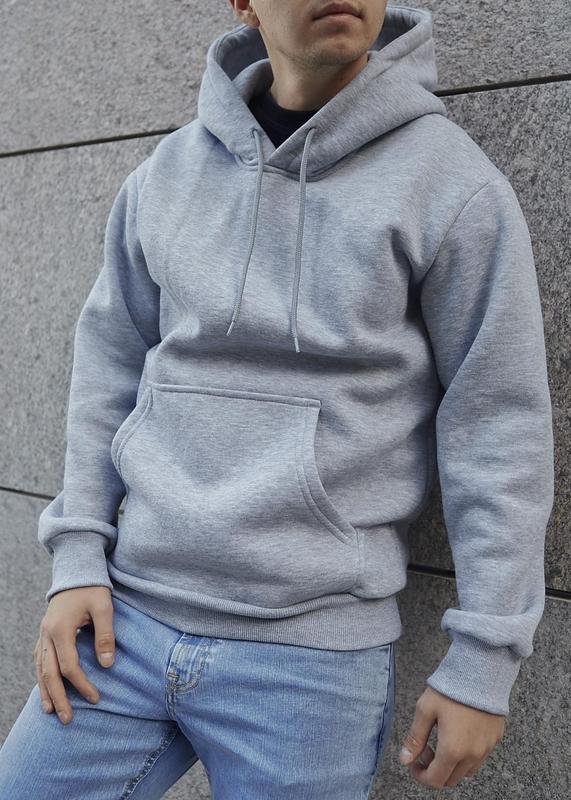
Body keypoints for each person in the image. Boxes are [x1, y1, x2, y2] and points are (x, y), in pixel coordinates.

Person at [0, 1, 554, 796]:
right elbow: (108, 368)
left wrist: (485, 657)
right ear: (244, 3)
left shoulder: (452, 185)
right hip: (123, 621)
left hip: (307, 665)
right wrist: (77, 557)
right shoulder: (166, 174)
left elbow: (496, 425)